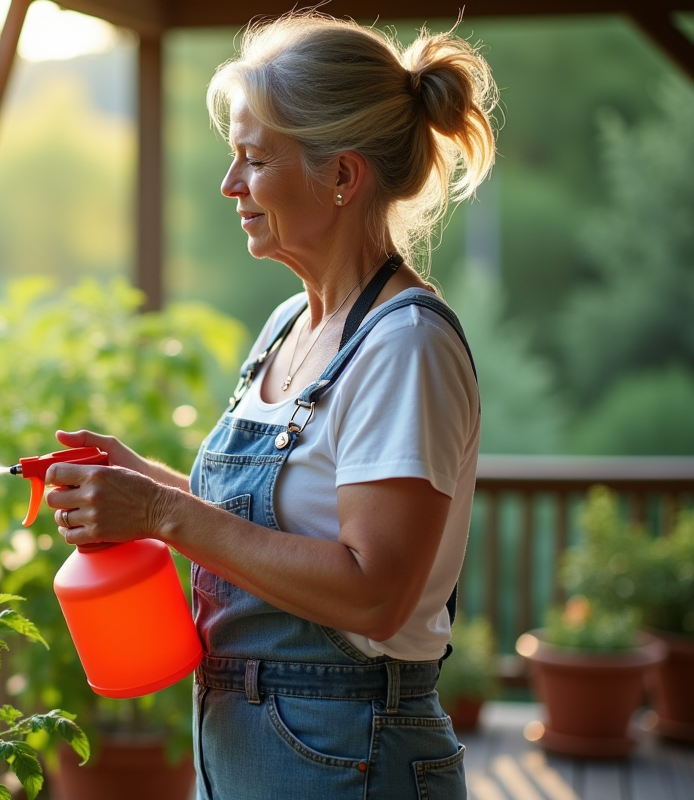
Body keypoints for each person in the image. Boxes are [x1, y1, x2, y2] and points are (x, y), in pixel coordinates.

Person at [44, 12, 497, 799]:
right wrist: (143, 482)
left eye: (254, 160)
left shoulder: (405, 347)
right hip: (251, 742)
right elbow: (278, 533)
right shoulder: (289, 325)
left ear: (342, 177)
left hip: (347, 752)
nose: (230, 185)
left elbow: (374, 592)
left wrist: (161, 513)